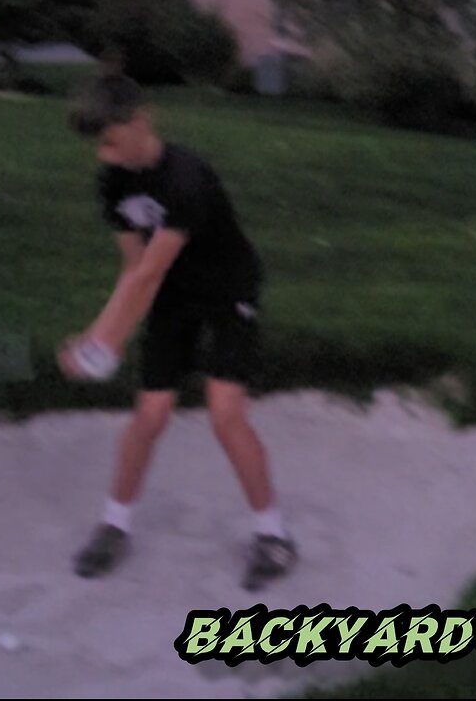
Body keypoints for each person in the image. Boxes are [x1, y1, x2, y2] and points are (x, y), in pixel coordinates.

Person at [57, 74, 298, 591]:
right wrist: (105, 336)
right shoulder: (112, 181)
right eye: (98, 144)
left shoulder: (187, 178)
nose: (103, 154)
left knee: (225, 412)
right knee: (150, 413)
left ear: (141, 121)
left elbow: (150, 272)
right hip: (172, 295)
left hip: (226, 289)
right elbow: (134, 270)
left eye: (110, 140)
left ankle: (273, 536)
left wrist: (101, 342)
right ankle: (115, 524)